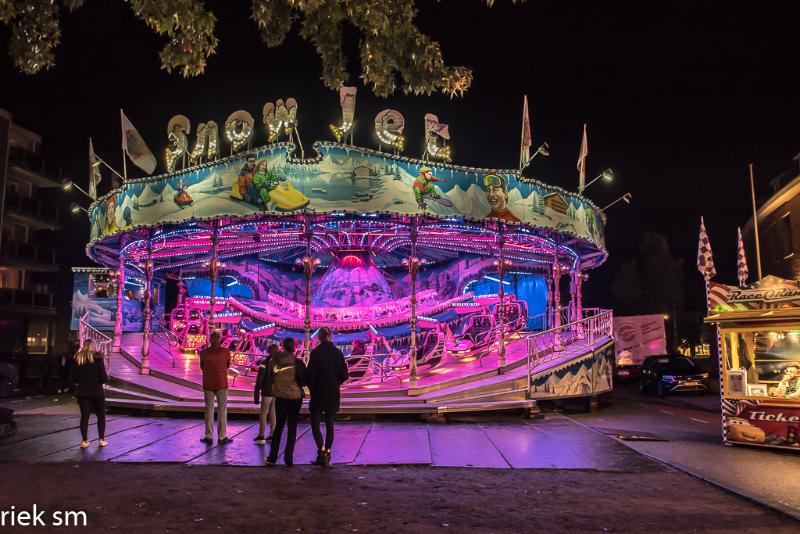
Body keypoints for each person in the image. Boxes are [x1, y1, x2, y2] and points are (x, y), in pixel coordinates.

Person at [305, 327, 348, 467]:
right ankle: (328, 452)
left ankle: (321, 451)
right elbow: (344, 375)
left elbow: (310, 375)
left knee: (315, 423)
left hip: (318, 391)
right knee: (330, 423)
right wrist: (336, 383)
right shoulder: (338, 353)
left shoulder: (316, 353)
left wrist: (312, 388)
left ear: (319, 337)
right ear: (331, 337)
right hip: (333, 391)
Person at [265, 338, 306, 466]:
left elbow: (269, 376)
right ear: (293, 347)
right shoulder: (298, 363)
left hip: (280, 396)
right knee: (292, 427)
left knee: (279, 427)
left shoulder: (275, 360)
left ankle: (272, 457)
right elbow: (303, 381)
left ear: (282, 346)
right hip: (295, 397)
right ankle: (289, 458)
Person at [67, 340, 108, 448]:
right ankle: (101, 440)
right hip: (97, 392)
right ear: (94, 346)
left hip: (83, 392)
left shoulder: (78, 358)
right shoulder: (98, 358)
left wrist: (76, 389)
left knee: (84, 417)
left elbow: (72, 378)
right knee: (101, 416)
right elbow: (104, 378)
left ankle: (84, 441)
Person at [199, 331, 233, 445]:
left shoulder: (203, 353)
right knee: (222, 410)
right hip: (221, 383)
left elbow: (202, 367)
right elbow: (228, 365)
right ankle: (222, 436)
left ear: (210, 340)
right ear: (219, 340)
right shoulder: (225, 351)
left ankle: (208, 436)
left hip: (208, 383)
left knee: (209, 409)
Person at [253, 344, 279, 445]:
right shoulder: (280, 363)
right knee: (273, 411)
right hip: (276, 390)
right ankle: (273, 433)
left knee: (263, 412)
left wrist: (256, 395)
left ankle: (261, 434)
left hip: (267, 390)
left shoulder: (264, 362)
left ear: (268, 351)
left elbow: (259, 379)